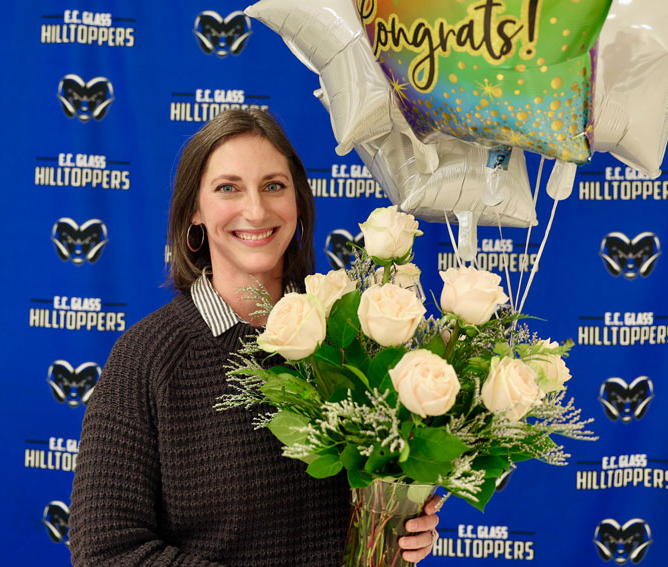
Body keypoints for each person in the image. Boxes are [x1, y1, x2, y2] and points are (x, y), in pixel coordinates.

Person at [69, 108, 440, 567]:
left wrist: (398, 528)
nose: (256, 210)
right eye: (228, 188)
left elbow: (368, 506)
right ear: (194, 212)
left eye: (273, 186)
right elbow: (105, 553)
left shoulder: (353, 340)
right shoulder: (147, 358)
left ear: (298, 202)